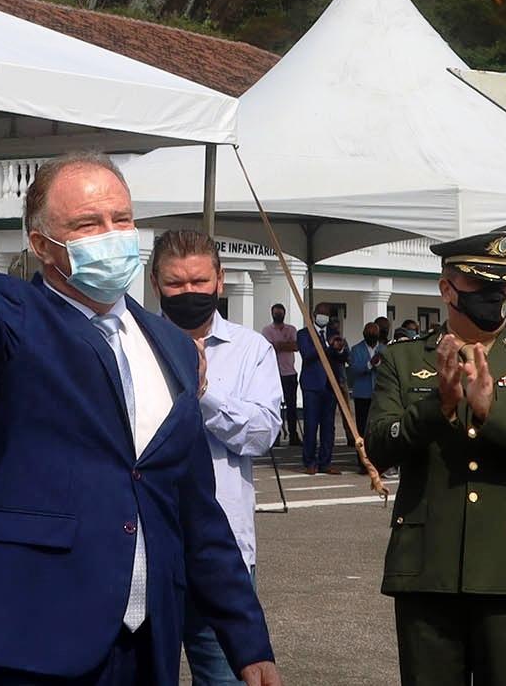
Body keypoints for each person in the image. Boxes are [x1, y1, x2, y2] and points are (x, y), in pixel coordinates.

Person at [0, 94, 279, 684]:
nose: (112, 234)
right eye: (87, 224)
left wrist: (248, 641)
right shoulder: (11, 316)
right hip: (32, 638)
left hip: (146, 644)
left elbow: (196, 508)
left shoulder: (170, 343)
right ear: (42, 244)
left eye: (121, 219)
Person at [367, 232, 506, 686]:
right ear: (448, 290)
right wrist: (438, 406)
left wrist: (491, 413)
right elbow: (381, 446)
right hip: (428, 571)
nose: (493, 298)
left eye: (501, 288)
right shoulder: (403, 361)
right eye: (480, 287)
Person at [151, 228, 283, 686]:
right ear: (155, 284)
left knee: (226, 677)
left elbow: (263, 434)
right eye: (175, 284)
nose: (189, 293)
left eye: (199, 282)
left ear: (220, 281)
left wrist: (201, 394)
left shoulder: (252, 351)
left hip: (224, 553)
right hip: (147, 550)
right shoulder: (132, 345)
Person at [296, 312, 349, 474]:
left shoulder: (334, 334)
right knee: (311, 425)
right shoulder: (304, 334)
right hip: (312, 385)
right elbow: (307, 355)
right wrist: (327, 346)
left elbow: (344, 357)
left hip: (330, 386)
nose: (324, 316)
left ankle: (325, 462)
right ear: (314, 315)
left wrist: (339, 349)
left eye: (327, 313)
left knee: (328, 427)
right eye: (322, 313)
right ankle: (309, 462)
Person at [262, 302, 301, 447]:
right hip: (273, 374)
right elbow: (269, 348)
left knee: (291, 406)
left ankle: (293, 435)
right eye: (276, 313)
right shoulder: (267, 330)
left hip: (289, 373)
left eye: (280, 312)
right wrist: (285, 344)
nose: (278, 315)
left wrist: (279, 345)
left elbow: (295, 346)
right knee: (275, 406)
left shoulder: (291, 329)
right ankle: (276, 435)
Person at [349, 321, 384, 440]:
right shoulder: (356, 349)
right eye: (369, 334)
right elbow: (354, 369)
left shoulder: (385, 349)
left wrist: (378, 364)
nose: (372, 336)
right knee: (362, 426)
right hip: (362, 394)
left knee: (378, 425)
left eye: (374, 334)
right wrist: (370, 364)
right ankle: (362, 453)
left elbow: (388, 370)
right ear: (364, 334)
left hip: (380, 394)